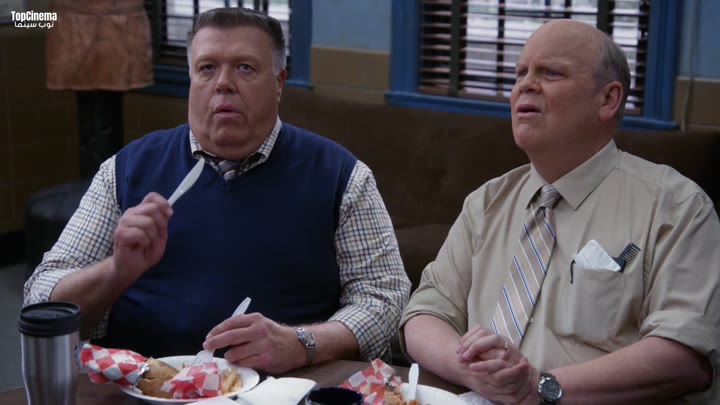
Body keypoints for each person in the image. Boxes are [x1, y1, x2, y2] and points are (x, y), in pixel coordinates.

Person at [24, 7, 411, 375]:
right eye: (207, 68)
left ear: (279, 82)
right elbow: (41, 302)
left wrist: (302, 343)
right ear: (191, 79)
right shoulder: (127, 170)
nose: (223, 83)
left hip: (283, 391)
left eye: (245, 68)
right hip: (144, 388)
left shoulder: (341, 176)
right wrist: (115, 272)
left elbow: (385, 299)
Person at [400, 19, 719, 404]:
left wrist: (539, 386)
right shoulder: (486, 203)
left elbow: (684, 356)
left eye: (551, 73)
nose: (525, 85)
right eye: (520, 73)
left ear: (608, 99)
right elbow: (424, 314)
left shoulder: (677, 207)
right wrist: (475, 372)